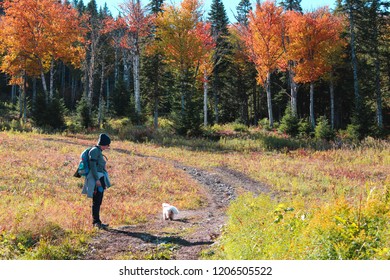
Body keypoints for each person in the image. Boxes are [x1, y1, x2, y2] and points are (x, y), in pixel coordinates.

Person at [82, 133, 111, 229]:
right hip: (96, 179)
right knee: (96, 201)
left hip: (100, 178)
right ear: (104, 144)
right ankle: (96, 222)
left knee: (98, 201)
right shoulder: (95, 151)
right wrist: (97, 180)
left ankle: (97, 222)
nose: (108, 147)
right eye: (107, 145)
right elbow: (93, 166)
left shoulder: (98, 151)